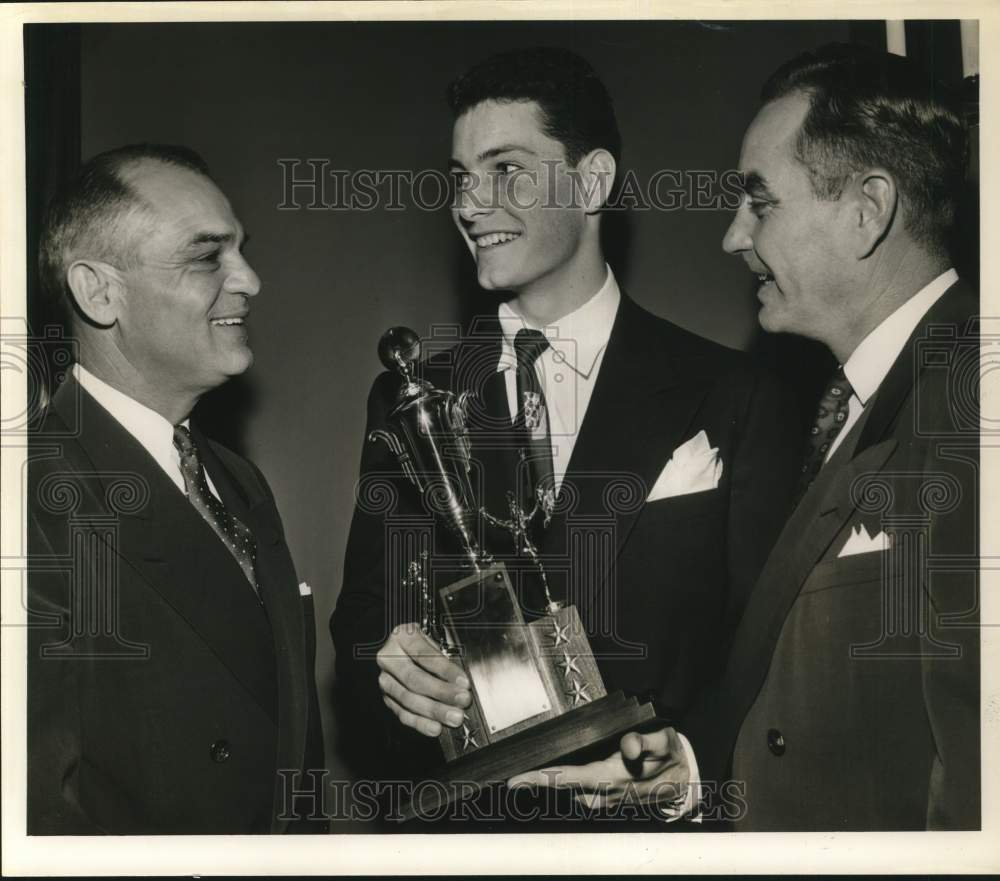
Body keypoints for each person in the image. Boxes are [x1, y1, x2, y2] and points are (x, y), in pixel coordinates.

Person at [514, 43, 980, 831]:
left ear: (867, 211)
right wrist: (693, 768)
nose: (733, 237)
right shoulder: (858, 404)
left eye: (760, 203)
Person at [332, 47, 800, 823]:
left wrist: (687, 772)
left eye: (506, 170)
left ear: (592, 182)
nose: (472, 205)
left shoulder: (732, 390)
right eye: (459, 178)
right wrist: (395, 676)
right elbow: (363, 626)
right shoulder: (411, 398)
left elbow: (770, 649)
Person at [28, 145, 325, 834]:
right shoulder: (32, 493)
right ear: (99, 292)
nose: (249, 280)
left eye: (242, 251)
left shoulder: (237, 479)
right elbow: (38, 815)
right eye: (206, 256)